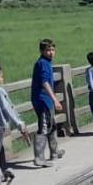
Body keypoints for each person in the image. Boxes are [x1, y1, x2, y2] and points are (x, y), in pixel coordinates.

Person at [0, 64, 30, 182]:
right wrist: (20, 125)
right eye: (0, 76)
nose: (2, 78)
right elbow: (8, 109)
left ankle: (3, 169)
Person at [29, 39, 64, 167]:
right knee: (44, 127)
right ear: (42, 51)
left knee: (51, 125)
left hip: (46, 100)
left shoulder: (46, 63)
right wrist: (55, 99)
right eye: (48, 50)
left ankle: (54, 152)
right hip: (43, 99)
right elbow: (44, 82)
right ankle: (39, 157)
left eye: (53, 50)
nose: (51, 53)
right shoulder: (43, 63)